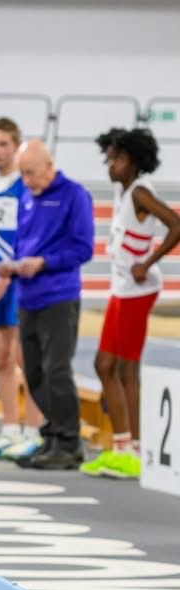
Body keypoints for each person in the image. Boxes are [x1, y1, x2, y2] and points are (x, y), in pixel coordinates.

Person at [81, 127, 180, 479]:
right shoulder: (122, 191)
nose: (111, 165)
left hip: (137, 291)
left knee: (126, 369)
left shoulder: (140, 192)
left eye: (119, 159)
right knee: (103, 365)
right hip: (120, 288)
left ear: (135, 162)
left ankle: (135, 451)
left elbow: (176, 224)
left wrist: (147, 263)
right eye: (110, 158)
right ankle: (120, 446)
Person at [0, 141, 95, 470]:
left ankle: (69, 442)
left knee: (56, 369)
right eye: (22, 174)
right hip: (28, 296)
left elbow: (83, 248)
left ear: (49, 166)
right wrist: (10, 268)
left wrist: (45, 262)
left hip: (59, 295)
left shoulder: (74, 195)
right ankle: (51, 436)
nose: (27, 180)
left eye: (31, 173)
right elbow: (21, 242)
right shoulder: (26, 196)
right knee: (34, 369)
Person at [0, 119, 45, 461]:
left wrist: (5, 279)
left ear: (15, 146)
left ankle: (34, 429)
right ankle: (9, 428)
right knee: (1, 355)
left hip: (17, 279)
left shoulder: (22, 185)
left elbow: (27, 237)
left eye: (3, 144)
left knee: (23, 356)